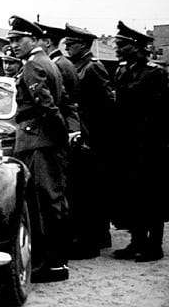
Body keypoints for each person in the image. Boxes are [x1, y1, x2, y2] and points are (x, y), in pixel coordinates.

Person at [7, 15, 70, 283]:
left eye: (18, 40)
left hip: (37, 140)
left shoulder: (33, 65)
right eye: (11, 41)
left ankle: (49, 264)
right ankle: (56, 262)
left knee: (42, 203)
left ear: (32, 39)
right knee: (52, 201)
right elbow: (63, 102)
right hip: (44, 140)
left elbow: (46, 105)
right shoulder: (49, 63)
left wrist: (58, 135)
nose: (13, 46)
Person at [110, 21, 169, 262]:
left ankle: (154, 246)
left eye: (121, 44)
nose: (117, 48)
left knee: (152, 195)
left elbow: (163, 112)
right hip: (128, 143)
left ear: (136, 47)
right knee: (131, 193)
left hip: (151, 144)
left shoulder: (155, 73)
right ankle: (137, 241)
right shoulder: (122, 70)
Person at [63, 23, 115, 259]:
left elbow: (105, 105)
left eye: (71, 44)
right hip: (81, 134)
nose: (67, 48)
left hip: (91, 137)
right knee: (83, 189)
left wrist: (92, 136)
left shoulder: (93, 67)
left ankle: (90, 243)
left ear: (82, 45)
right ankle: (97, 237)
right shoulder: (77, 66)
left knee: (88, 191)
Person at [36, 23, 81, 134]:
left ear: (47, 42)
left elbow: (67, 99)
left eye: (37, 40)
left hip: (64, 123)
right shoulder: (60, 62)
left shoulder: (58, 64)